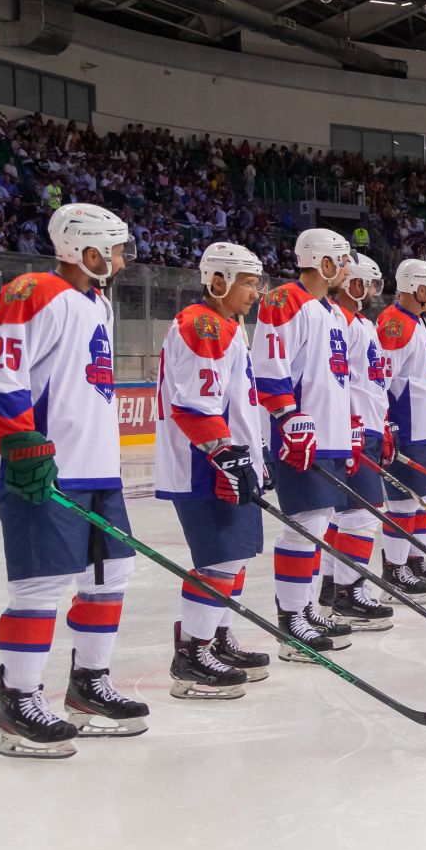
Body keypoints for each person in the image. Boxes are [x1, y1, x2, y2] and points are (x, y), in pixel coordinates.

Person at [0, 203, 148, 756]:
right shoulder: (36, 291)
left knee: (111, 573)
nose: (121, 261)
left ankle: (88, 686)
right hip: (45, 472)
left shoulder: (95, 303)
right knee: (40, 585)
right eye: (115, 251)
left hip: (96, 470)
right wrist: (20, 444)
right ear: (89, 253)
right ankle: (18, 701)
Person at [155, 240, 270, 699]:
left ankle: (218, 636)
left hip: (227, 456)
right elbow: (193, 406)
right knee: (218, 559)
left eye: (257, 282)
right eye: (247, 282)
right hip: (203, 463)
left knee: (235, 555)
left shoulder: (227, 325)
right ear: (217, 280)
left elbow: (236, 401)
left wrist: (255, 452)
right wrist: (226, 454)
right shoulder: (202, 323)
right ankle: (192, 654)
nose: (255, 292)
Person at [254, 226, 357, 659]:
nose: (347, 267)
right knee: (305, 524)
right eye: (342, 259)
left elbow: (337, 375)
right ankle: (291, 619)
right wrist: (286, 416)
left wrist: (350, 424)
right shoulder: (284, 300)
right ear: (325, 263)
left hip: (329, 432)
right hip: (299, 432)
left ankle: (306, 605)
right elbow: (268, 365)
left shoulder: (330, 310)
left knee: (320, 521)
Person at [317, 253, 400, 627]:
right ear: (353, 284)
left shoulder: (361, 322)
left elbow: (372, 382)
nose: (371, 290)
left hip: (366, 426)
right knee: (363, 513)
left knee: (350, 512)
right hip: (353, 429)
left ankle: (335, 583)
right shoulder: (341, 322)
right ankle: (351, 591)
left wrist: (382, 424)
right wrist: (353, 424)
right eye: (368, 282)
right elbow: (340, 379)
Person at [378, 258, 426, 576]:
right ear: (418, 288)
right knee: (404, 503)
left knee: (425, 498)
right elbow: (381, 380)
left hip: (425, 426)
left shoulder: (416, 321)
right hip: (406, 428)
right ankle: (395, 567)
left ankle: (416, 558)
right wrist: (388, 422)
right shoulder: (395, 323)